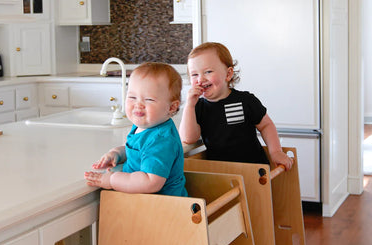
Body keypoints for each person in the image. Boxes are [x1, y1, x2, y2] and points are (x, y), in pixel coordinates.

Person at [179, 42, 293, 170]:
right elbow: (188, 139)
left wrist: (276, 152)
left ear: (228, 74)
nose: (200, 79)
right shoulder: (197, 107)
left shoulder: (246, 100)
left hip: (254, 169)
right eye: (194, 74)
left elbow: (266, 125)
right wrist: (189, 105)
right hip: (222, 173)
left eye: (208, 72)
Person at [84, 62, 188, 197]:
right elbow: (139, 151)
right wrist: (117, 153)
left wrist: (111, 180)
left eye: (149, 99)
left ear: (172, 107)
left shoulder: (161, 140)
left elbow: (151, 182)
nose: (138, 104)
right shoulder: (144, 126)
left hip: (164, 208)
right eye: (132, 97)